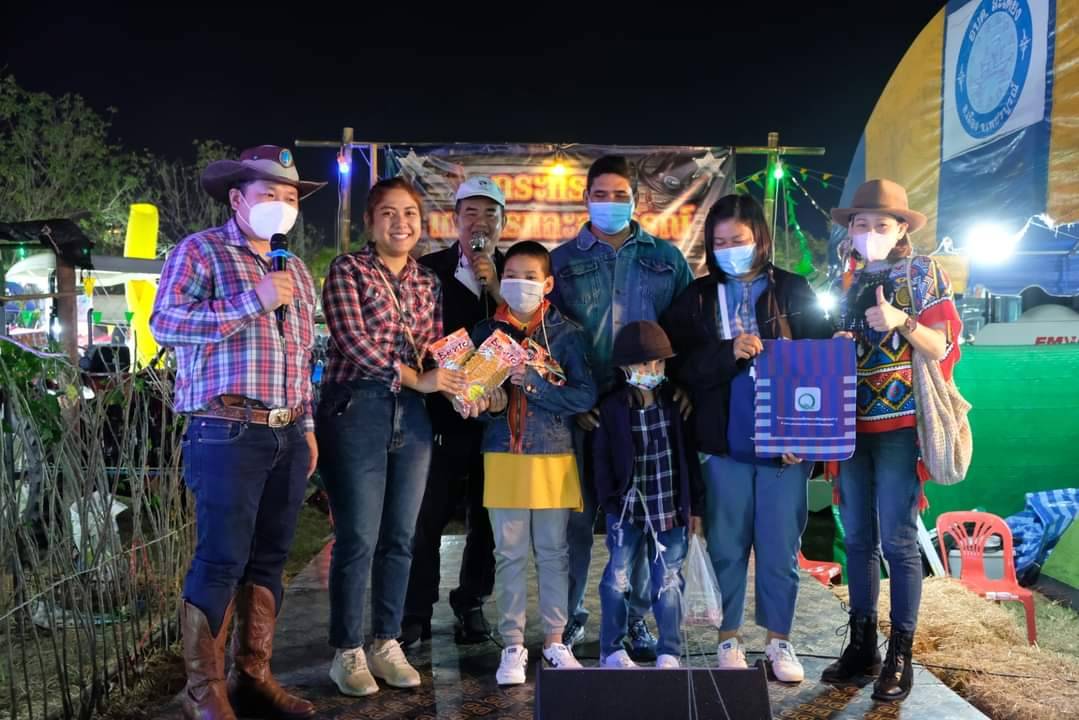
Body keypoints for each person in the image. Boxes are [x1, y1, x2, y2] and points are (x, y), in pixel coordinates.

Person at [150, 145, 324, 720]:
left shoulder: (296, 269)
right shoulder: (200, 250)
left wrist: (306, 424)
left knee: (269, 558)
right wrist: (253, 300)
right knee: (221, 558)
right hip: (225, 429)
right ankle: (204, 691)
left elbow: (300, 357)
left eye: (289, 196)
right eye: (267, 193)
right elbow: (165, 323)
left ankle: (252, 676)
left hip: (286, 433)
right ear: (236, 198)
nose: (281, 203)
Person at [662, 194, 832, 683]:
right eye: (719, 243)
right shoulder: (695, 298)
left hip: (786, 449)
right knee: (726, 548)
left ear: (759, 237)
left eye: (737, 239)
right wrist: (726, 353)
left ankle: (779, 641)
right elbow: (677, 365)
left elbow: (820, 363)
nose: (729, 250)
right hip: (722, 446)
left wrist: (809, 436)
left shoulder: (794, 290)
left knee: (779, 550)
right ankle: (728, 639)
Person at [318, 177, 466, 697]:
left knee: (403, 536)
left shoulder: (427, 282)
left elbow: (434, 349)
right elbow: (352, 342)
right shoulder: (348, 270)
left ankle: (386, 640)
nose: (400, 223)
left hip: (414, 415)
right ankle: (346, 651)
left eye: (409, 214)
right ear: (370, 221)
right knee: (358, 536)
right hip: (357, 406)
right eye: (388, 213)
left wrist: (467, 382)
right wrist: (417, 378)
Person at [821, 179, 961, 702]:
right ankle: (863, 645)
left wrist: (902, 320)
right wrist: (838, 343)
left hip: (900, 424)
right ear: (850, 229)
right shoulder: (844, 278)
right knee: (858, 537)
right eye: (861, 224)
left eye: (881, 224)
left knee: (899, 540)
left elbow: (942, 345)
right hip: (849, 424)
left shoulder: (923, 272)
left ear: (902, 228)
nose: (870, 232)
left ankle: (901, 653)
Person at [550, 155, 694, 658]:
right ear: (585, 198)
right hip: (583, 411)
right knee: (576, 524)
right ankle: (568, 622)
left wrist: (678, 385)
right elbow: (547, 338)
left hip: (643, 409)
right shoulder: (560, 261)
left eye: (620, 195)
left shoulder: (667, 259)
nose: (610, 203)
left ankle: (635, 621)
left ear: (637, 199)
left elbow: (685, 331)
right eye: (601, 194)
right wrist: (572, 400)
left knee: (643, 520)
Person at [464, 240, 596, 684]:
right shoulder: (485, 332)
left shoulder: (567, 334)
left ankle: (556, 640)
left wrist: (535, 384)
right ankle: (513, 645)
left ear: (548, 284)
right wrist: (484, 403)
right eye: (512, 276)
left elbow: (584, 395)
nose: (520, 284)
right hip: (503, 454)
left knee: (554, 551)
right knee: (509, 554)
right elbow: (470, 395)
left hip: (553, 454)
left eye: (530, 277)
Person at [402, 176, 505, 647]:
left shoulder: (512, 271)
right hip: (439, 416)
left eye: (490, 214)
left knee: (486, 519)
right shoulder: (427, 270)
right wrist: (440, 383)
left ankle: (471, 603)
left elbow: (531, 331)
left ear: (503, 222)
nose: (480, 223)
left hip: (496, 419)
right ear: (455, 220)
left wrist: (497, 288)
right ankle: (415, 612)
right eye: (471, 213)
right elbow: (413, 337)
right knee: (427, 517)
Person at [593, 321, 702, 669]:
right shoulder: (613, 408)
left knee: (668, 582)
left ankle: (669, 650)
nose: (652, 370)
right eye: (643, 364)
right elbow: (601, 459)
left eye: (659, 363)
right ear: (624, 367)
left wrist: (695, 507)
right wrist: (609, 501)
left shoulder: (675, 405)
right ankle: (611, 649)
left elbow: (688, 460)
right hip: (626, 510)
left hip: (669, 508)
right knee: (617, 578)